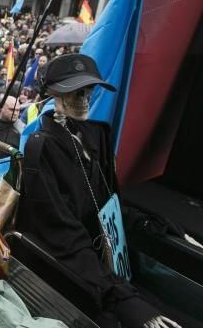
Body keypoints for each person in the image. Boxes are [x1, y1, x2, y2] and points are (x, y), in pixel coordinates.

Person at [16, 55, 180, 328]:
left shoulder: (95, 137)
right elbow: (63, 236)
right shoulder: (41, 149)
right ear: (54, 94)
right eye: (75, 91)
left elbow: (107, 203)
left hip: (108, 265)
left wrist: (151, 224)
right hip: (70, 271)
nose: (84, 98)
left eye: (89, 90)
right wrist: (124, 300)